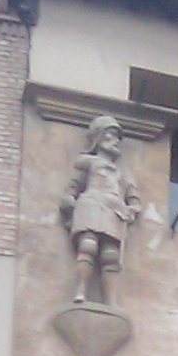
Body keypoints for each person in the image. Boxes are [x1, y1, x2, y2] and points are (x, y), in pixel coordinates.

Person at [60, 115, 142, 306]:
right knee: (88, 246)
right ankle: (80, 291)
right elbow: (73, 186)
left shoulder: (123, 173)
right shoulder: (87, 162)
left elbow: (134, 199)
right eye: (111, 135)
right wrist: (69, 200)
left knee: (110, 255)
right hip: (92, 203)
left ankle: (111, 302)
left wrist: (132, 210)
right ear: (98, 137)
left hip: (115, 210)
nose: (116, 142)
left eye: (118, 138)